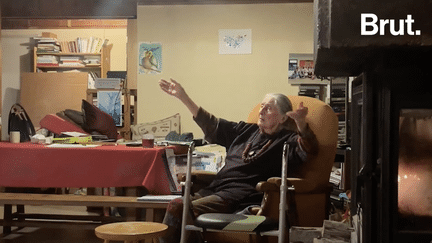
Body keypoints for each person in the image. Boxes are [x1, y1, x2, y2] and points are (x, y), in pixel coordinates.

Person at [158, 78, 319, 243]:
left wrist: (300, 122)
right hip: (214, 190)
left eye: (268, 108)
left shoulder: (286, 140)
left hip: (238, 197)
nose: (261, 111)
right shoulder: (246, 130)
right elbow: (211, 124)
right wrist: (183, 97)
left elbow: (308, 150)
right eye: (262, 106)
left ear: (283, 118)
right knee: (169, 209)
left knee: (179, 207)